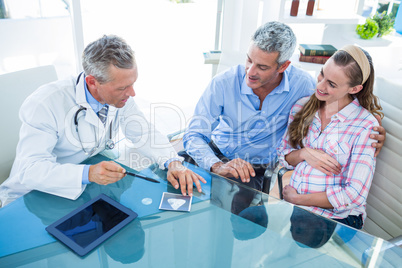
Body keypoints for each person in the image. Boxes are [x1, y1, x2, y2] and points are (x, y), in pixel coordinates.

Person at [0, 35, 205, 207]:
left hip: (83, 187)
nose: (131, 93)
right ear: (92, 82)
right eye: (122, 88)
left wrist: (173, 162)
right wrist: (88, 173)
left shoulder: (120, 97)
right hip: (34, 196)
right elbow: (30, 170)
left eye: (132, 83)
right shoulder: (45, 103)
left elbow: (143, 132)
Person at [182, 21, 385, 192]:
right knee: (172, 180)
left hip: (254, 170)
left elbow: (343, 98)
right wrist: (216, 165)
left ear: (283, 66)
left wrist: (374, 129)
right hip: (214, 154)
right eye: (249, 60)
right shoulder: (223, 83)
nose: (250, 72)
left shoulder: (303, 86)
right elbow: (194, 134)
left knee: (242, 225)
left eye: (262, 67)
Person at [278, 45, 382, 229]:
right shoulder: (302, 107)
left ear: (355, 88)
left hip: (336, 216)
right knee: (248, 218)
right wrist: (303, 153)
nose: (320, 85)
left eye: (331, 84)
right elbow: (284, 156)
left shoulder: (365, 125)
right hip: (298, 208)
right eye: (321, 74)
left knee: (298, 241)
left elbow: (354, 194)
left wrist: (299, 199)